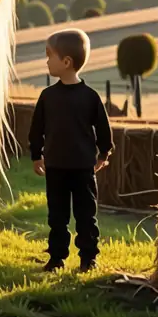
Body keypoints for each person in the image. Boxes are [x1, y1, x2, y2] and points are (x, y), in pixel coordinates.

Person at [28, 28, 114, 273]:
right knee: (57, 217)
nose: (46, 61)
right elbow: (37, 130)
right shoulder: (47, 97)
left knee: (86, 216)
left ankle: (89, 258)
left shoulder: (90, 98)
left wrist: (103, 155)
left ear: (66, 62)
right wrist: (36, 155)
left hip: (83, 169)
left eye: (49, 56)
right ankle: (56, 258)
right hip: (55, 167)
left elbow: (104, 129)